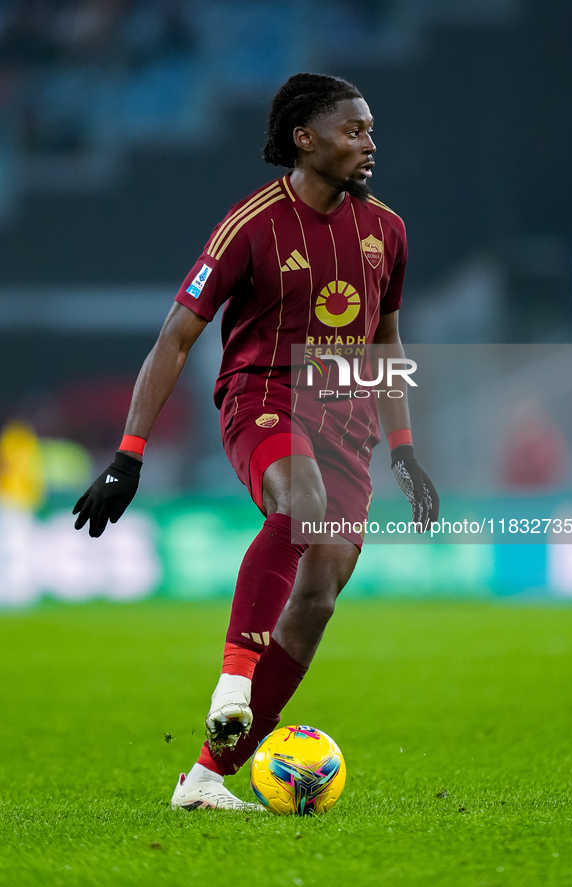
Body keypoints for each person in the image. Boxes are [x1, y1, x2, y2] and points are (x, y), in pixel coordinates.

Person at [73, 72, 439, 811]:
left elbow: (386, 339)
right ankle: (233, 678)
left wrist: (401, 448)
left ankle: (206, 775)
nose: (369, 143)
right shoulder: (251, 226)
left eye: (370, 130)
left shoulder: (387, 232)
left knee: (321, 588)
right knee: (299, 510)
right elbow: (175, 337)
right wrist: (128, 454)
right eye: (353, 130)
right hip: (263, 399)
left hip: (345, 419)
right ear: (304, 139)